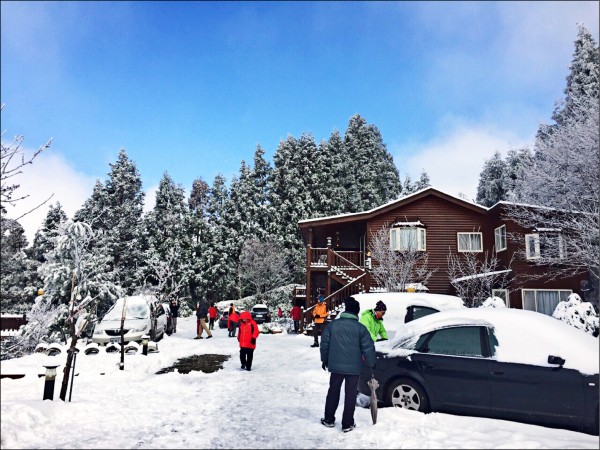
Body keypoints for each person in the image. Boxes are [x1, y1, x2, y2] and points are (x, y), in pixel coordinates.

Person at [320, 297, 375, 433]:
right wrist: (371, 364)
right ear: (356, 312)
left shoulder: (333, 325)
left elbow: (324, 345)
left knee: (333, 391)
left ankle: (328, 419)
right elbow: (368, 348)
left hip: (336, 367)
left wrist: (325, 360)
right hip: (354, 368)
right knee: (350, 394)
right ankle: (347, 423)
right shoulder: (361, 329)